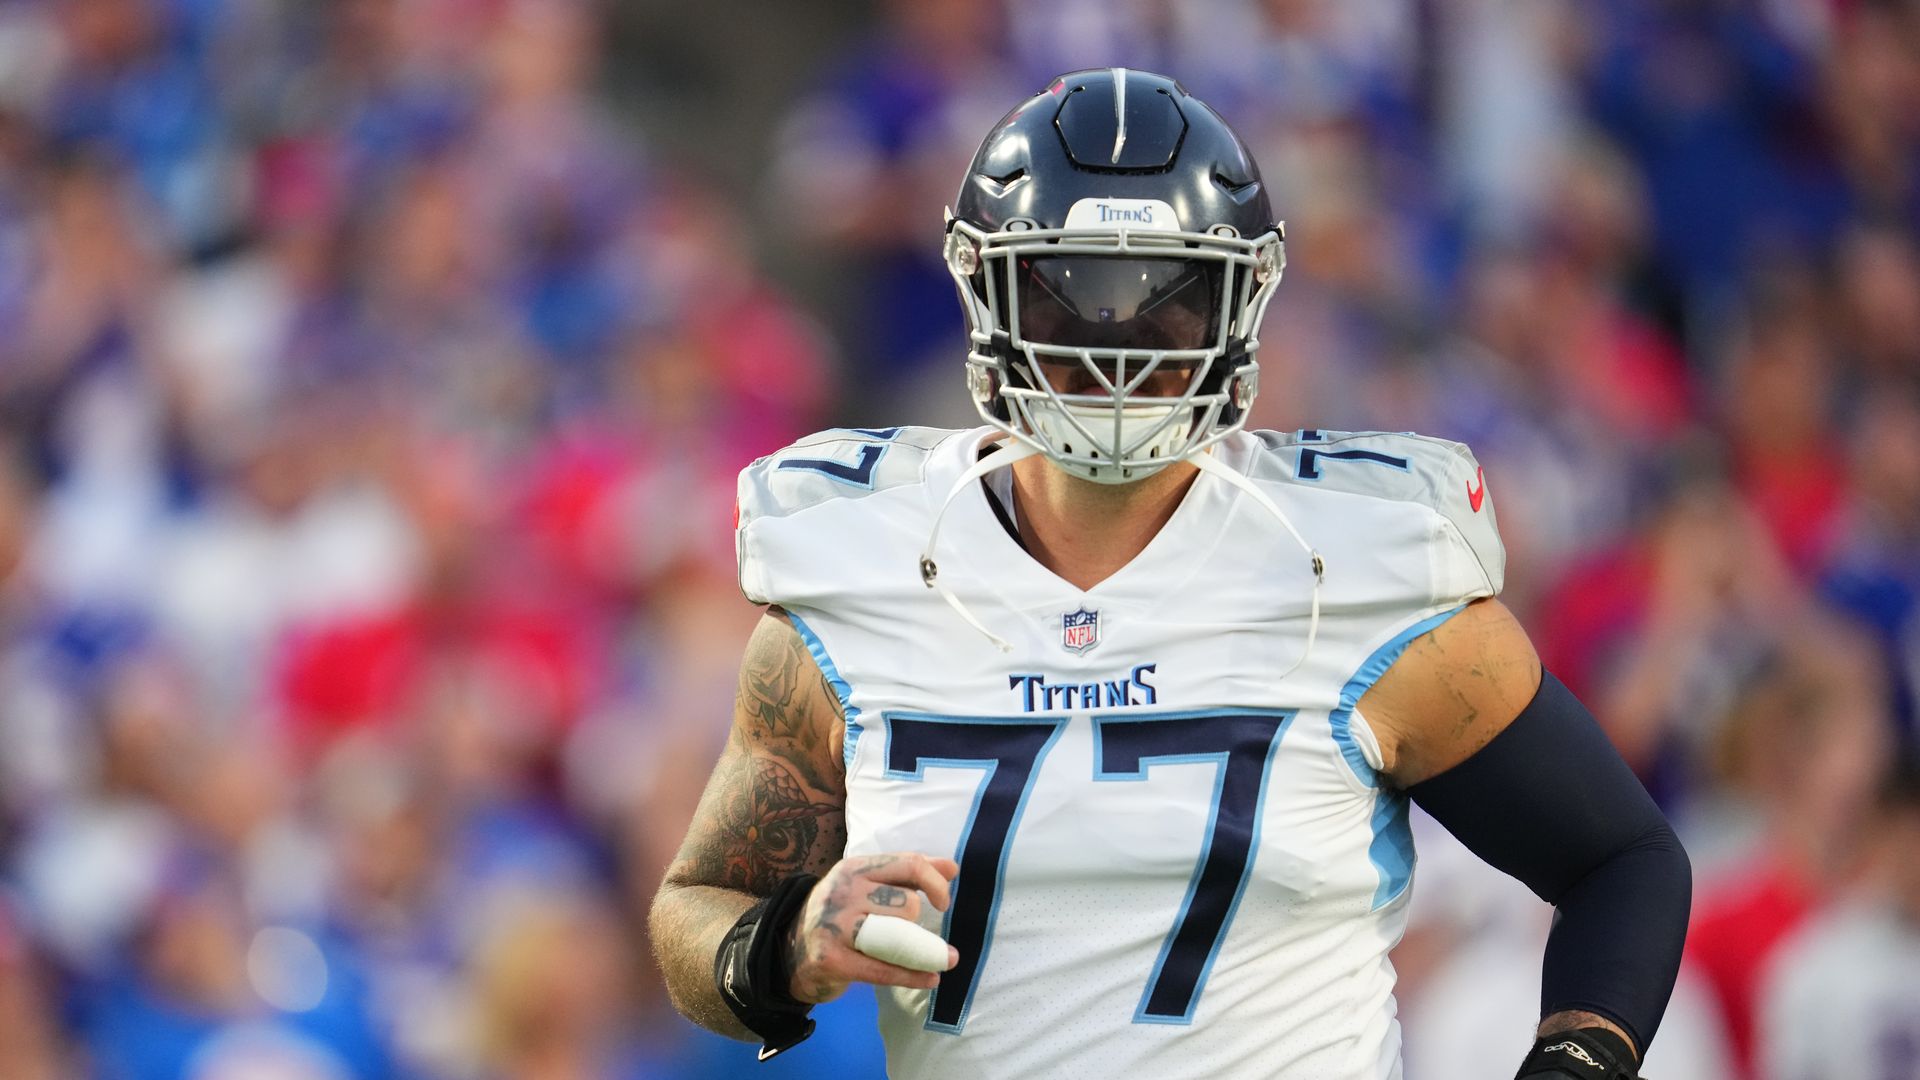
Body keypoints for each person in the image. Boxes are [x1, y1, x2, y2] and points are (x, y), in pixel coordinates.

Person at [649, 69, 1690, 1079]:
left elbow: (1622, 862)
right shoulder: (864, 574)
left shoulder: (1358, 570)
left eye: (1167, 301)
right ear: (986, 292)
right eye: (1069, 297)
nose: (1117, 343)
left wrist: (1576, 1062)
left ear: (1241, 303)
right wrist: (786, 945)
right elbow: (697, 906)